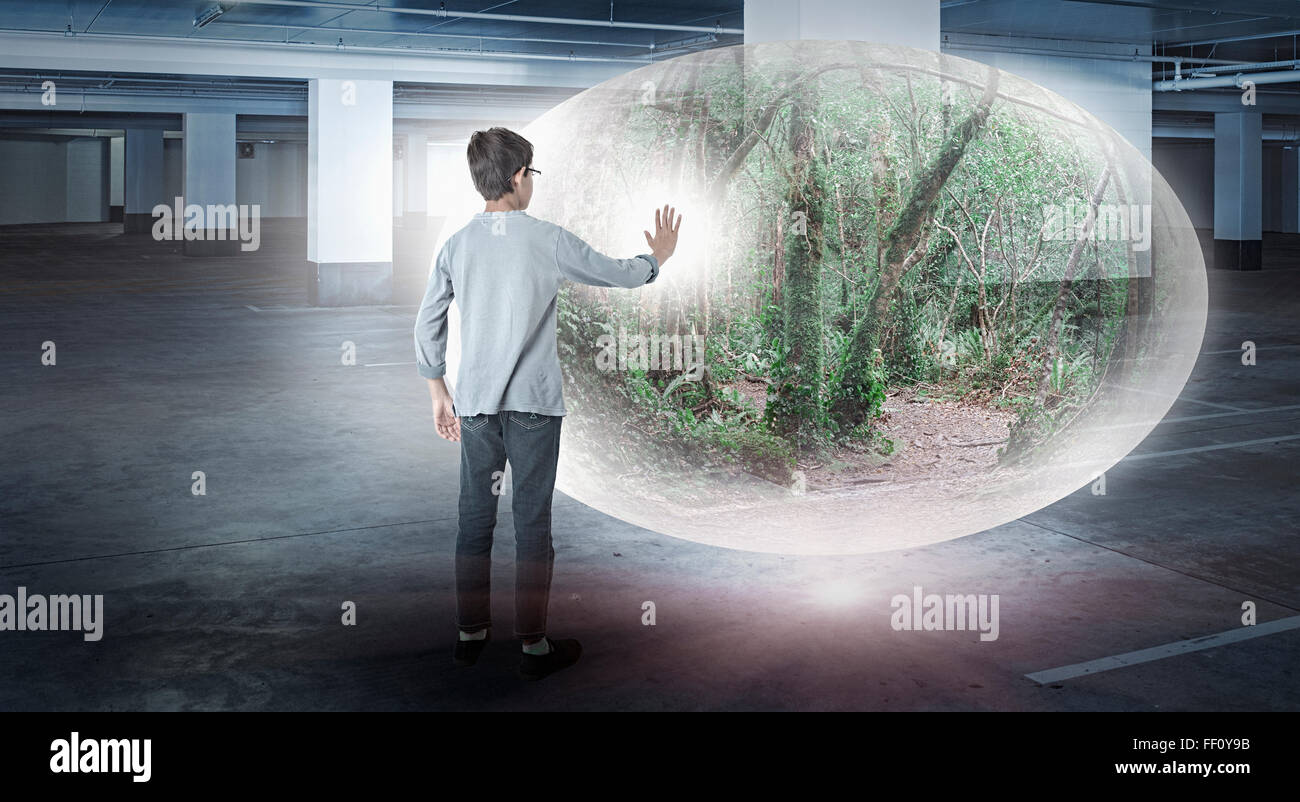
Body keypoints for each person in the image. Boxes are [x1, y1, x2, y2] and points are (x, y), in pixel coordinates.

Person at [413, 127, 681, 680]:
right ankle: (533, 646)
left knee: (473, 521)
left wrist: (437, 389)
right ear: (516, 177)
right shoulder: (546, 239)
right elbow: (616, 273)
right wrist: (656, 258)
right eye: (530, 173)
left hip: (477, 408)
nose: (531, 183)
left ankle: (470, 634)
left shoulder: (456, 245)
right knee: (532, 525)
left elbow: (428, 318)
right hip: (533, 409)